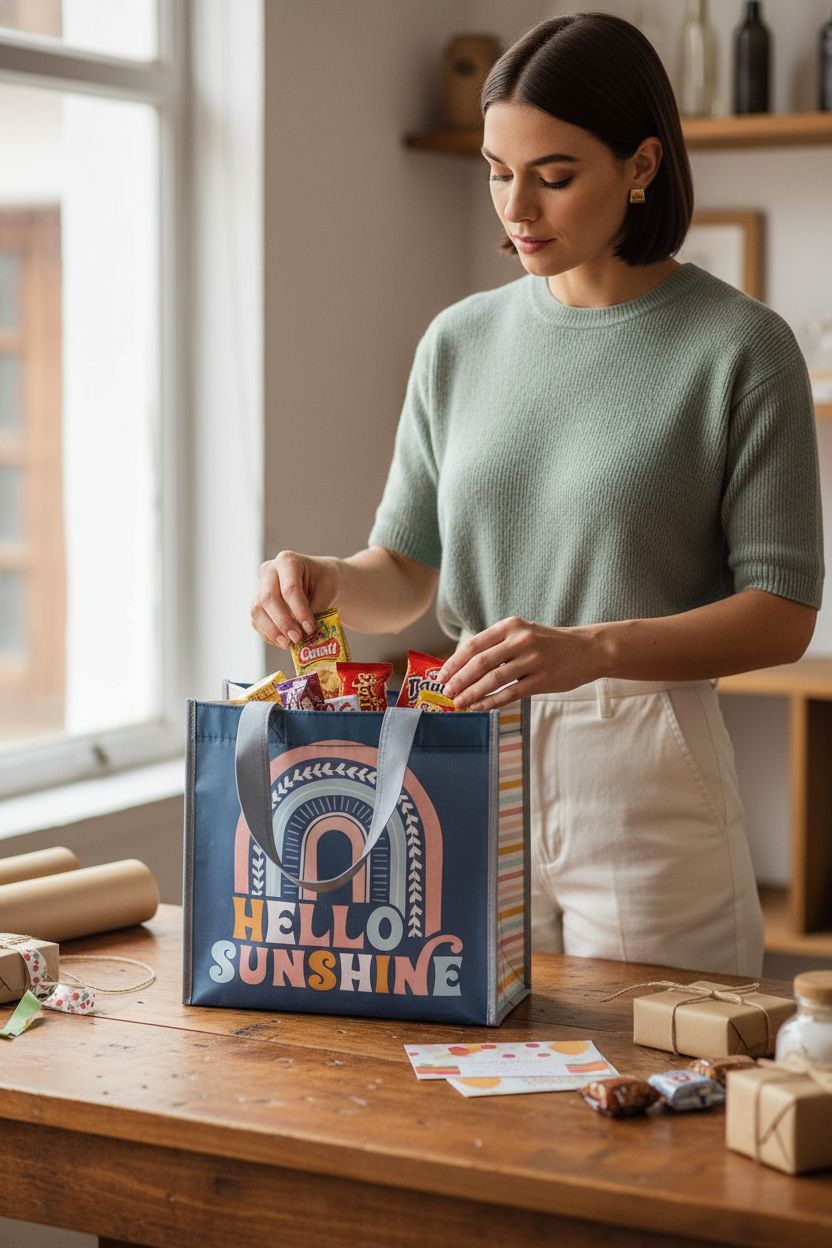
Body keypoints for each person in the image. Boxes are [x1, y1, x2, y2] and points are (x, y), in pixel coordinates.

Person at [250, 13, 823, 978]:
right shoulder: (459, 340)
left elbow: (782, 616)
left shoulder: (741, 348)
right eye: (495, 170)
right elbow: (405, 573)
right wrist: (329, 578)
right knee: (466, 1087)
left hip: (646, 768)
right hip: (464, 756)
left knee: (663, 1088)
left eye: (554, 176)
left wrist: (589, 647)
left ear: (642, 164)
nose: (516, 206)